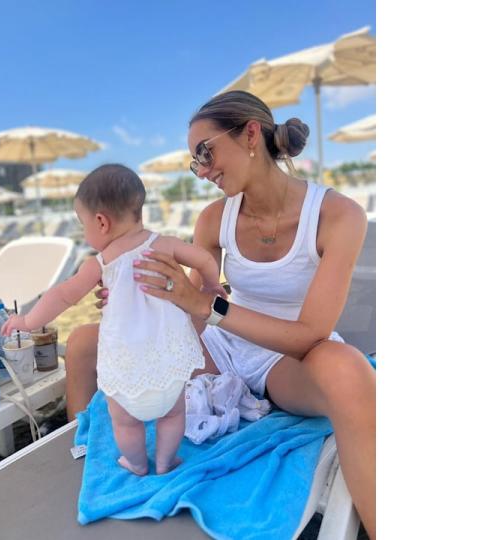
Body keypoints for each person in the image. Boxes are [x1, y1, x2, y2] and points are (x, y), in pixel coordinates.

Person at [64, 91, 376, 537]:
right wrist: (141, 305)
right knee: (82, 344)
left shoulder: (337, 215)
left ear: (251, 134)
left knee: (348, 370)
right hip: (219, 340)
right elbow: (192, 310)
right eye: (196, 162)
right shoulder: (214, 219)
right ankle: (89, 460)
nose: (203, 171)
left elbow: (310, 334)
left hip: (285, 357)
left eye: (206, 153)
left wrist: (205, 306)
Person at [2, 164, 226, 476]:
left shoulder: (101, 263)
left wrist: (26, 320)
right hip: (170, 366)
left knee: (125, 421)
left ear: (101, 222)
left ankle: (135, 463)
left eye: (83, 225)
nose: (85, 232)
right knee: (173, 416)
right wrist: (213, 285)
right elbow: (203, 258)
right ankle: (165, 461)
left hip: (126, 372)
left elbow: (63, 296)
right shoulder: (165, 244)